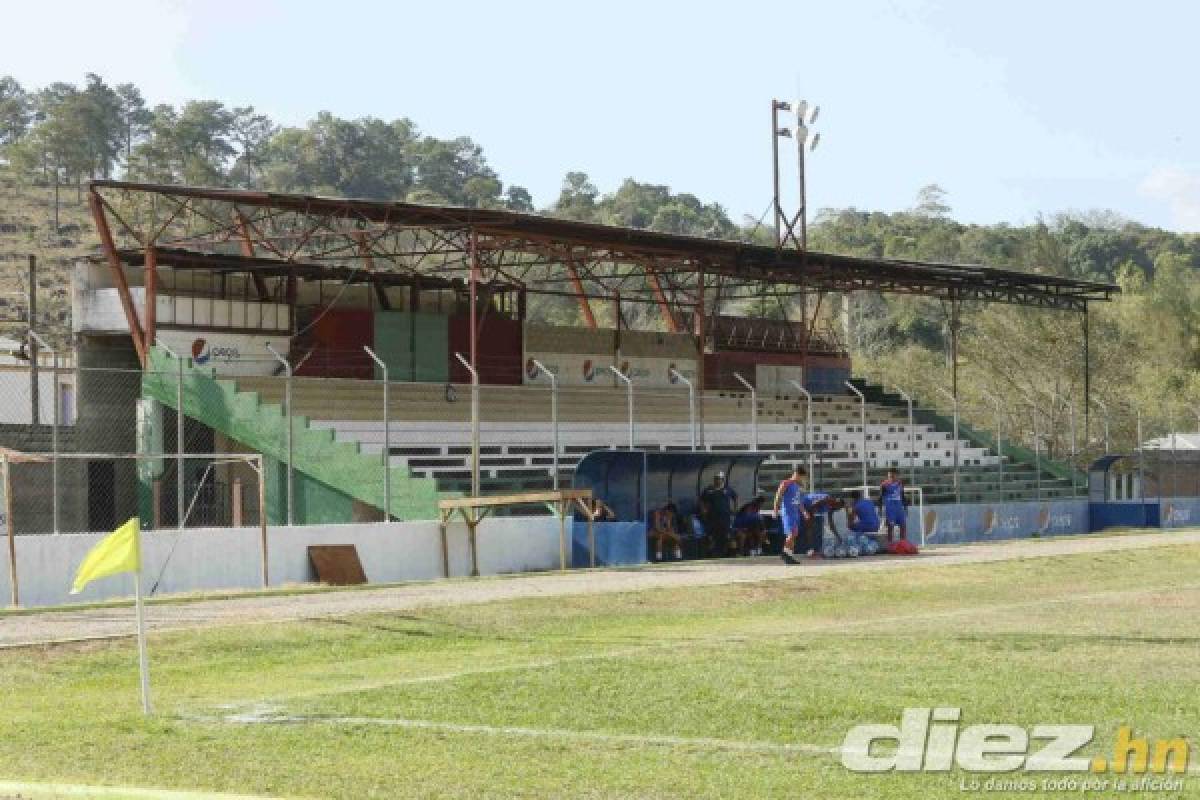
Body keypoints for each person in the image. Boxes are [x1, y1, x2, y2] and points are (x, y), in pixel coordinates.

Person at [773, 465, 808, 563]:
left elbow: (798, 501)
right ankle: (785, 553)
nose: (802, 479)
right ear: (797, 474)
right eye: (802, 477)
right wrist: (775, 510)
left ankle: (789, 556)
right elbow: (778, 496)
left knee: (794, 534)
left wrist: (804, 511)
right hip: (788, 512)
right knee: (791, 534)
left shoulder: (797, 486)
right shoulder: (786, 483)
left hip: (795, 512)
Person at [699, 472, 738, 557]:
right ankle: (709, 554)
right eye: (716, 478)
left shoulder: (727, 489)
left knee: (729, 535)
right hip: (712, 517)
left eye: (719, 479)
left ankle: (733, 553)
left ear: (723, 480)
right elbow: (702, 500)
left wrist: (734, 509)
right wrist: (703, 510)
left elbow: (735, 498)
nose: (717, 480)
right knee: (711, 535)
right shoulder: (709, 490)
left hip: (725, 517)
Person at [800, 492, 845, 558]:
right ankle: (810, 550)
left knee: (810, 528)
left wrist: (838, 536)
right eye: (839, 507)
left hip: (809, 509)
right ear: (837, 503)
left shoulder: (832, 508)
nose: (838, 510)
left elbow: (831, 524)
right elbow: (813, 505)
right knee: (809, 528)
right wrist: (810, 517)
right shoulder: (827, 499)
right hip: (803, 504)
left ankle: (810, 550)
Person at [879, 468, 908, 542]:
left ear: (896, 475)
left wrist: (905, 507)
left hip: (899, 508)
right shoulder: (884, 485)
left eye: (892, 476)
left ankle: (903, 543)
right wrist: (880, 509)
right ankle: (890, 544)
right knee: (890, 526)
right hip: (890, 508)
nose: (891, 477)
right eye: (889, 476)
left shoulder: (900, 484)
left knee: (903, 525)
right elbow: (880, 498)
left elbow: (903, 496)